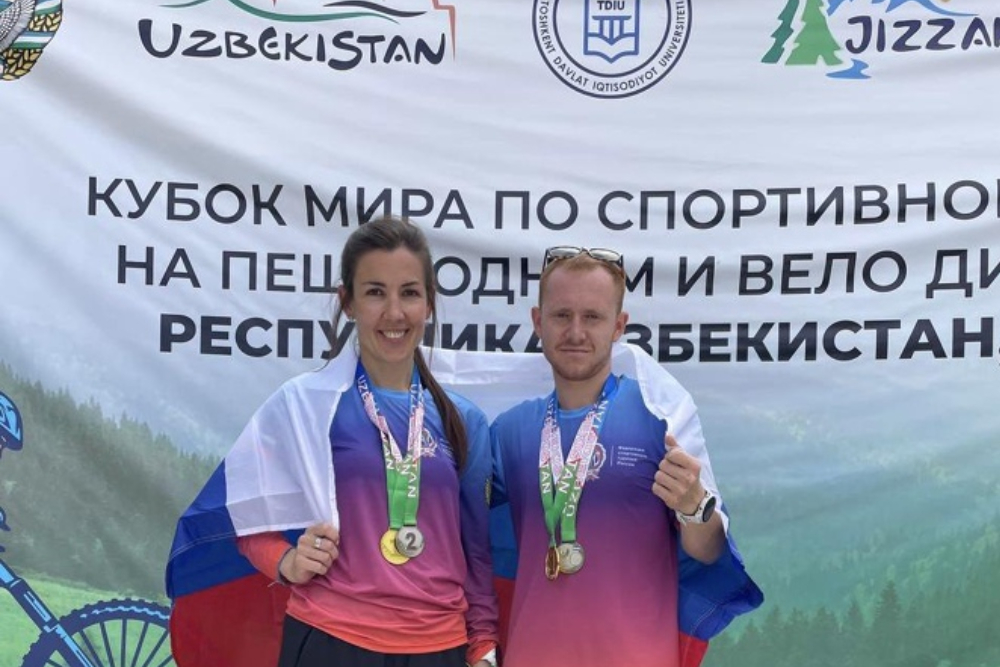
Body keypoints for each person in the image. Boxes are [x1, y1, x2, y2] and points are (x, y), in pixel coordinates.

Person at [166, 216, 498, 667]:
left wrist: (483, 645)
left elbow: (476, 552)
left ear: (429, 303)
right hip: (329, 638)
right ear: (348, 302)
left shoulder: (463, 420)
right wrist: (286, 561)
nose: (394, 312)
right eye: (375, 292)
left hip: (438, 647)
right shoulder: (305, 404)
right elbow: (245, 514)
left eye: (409, 293)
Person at [489, 246, 763, 667]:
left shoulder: (660, 418)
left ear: (618, 326)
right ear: (538, 322)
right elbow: (466, 541)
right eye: (561, 315)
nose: (576, 332)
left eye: (592, 317)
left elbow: (708, 551)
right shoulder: (507, 432)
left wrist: (693, 507)